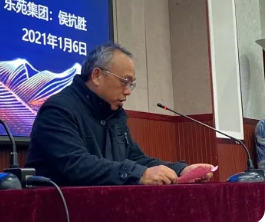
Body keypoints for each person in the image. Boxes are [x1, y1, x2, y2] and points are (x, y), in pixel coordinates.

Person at [26, 42, 215, 186]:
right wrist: (138, 174)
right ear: (97, 76)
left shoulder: (114, 114)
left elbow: (136, 159)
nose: (128, 91)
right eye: (124, 81)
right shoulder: (58, 110)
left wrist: (181, 170)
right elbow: (77, 165)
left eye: (131, 84)